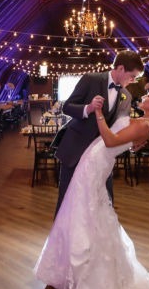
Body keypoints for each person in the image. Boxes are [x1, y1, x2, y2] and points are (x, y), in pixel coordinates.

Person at [34, 88, 149, 289]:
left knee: (87, 211)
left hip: (97, 163)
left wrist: (99, 113)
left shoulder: (145, 124)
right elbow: (129, 144)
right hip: (95, 161)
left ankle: (86, 272)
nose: (143, 97)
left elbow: (111, 140)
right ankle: (73, 267)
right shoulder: (144, 121)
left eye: (148, 97)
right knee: (84, 210)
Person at [53, 50, 144, 216]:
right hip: (76, 149)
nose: (134, 80)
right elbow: (67, 107)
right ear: (121, 68)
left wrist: (130, 144)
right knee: (66, 199)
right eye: (132, 76)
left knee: (105, 200)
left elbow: (120, 128)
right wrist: (88, 108)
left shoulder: (126, 96)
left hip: (102, 156)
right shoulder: (91, 79)